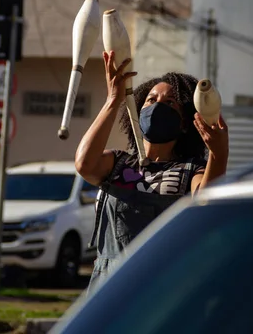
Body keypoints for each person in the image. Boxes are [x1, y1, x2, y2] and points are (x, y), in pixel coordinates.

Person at [76, 51, 229, 291]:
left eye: (170, 103)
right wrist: (113, 99)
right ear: (136, 109)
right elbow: (84, 164)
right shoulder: (118, 163)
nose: (158, 105)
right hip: (108, 291)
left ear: (184, 121)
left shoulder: (191, 170)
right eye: (151, 99)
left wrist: (219, 155)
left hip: (160, 292)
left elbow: (205, 203)